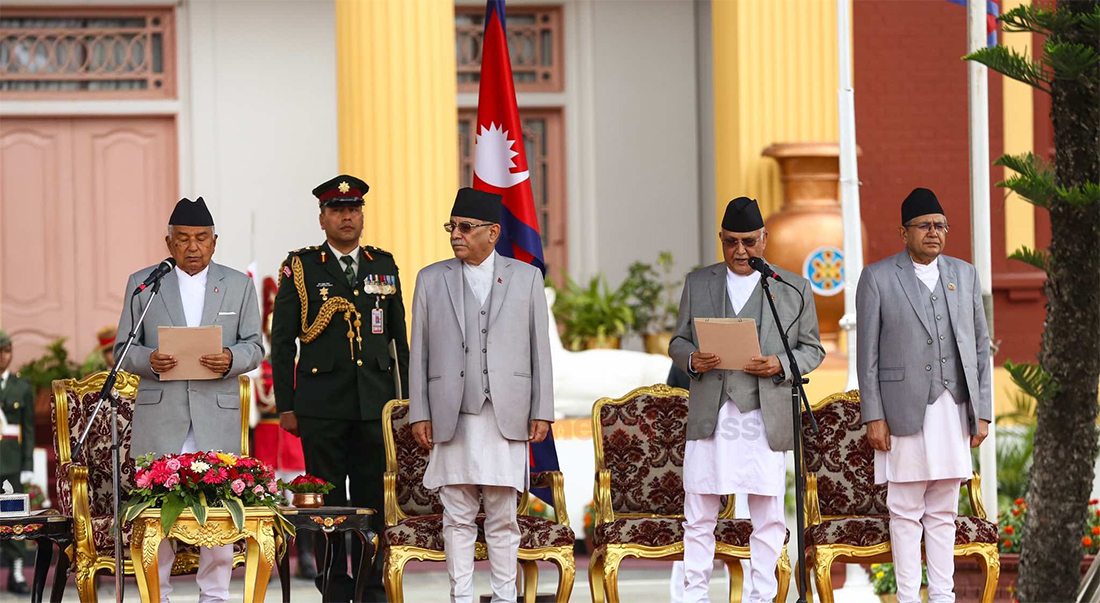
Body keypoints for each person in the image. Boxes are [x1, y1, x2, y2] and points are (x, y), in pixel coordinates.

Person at [669, 197, 825, 603]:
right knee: (699, 512)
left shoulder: (792, 287)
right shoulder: (698, 282)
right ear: (721, 239)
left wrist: (779, 363)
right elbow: (678, 340)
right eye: (731, 242)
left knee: (768, 516)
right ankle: (695, 596)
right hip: (711, 412)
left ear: (764, 239)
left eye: (749, 242)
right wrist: (692, 358)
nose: (740, 251)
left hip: (763, 413)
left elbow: (812, 349)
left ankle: (762, 596)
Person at [408, 187, 554, 603]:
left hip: (507, 411)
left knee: (504, 515)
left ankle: (506, 597)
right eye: (452, 226)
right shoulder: (431, 279)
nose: (456, 234)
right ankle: (462, 597)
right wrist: (420, 412)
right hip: (451, 412)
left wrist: (542, 409)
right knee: (457, 515)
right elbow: (419, 353)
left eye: (466, 227)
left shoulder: (526, 277)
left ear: (492, 232)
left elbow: (539, 350)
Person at [115, 197, 264, 603]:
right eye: (183, 239)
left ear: (215, 242)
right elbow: (123, 351)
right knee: (156, 513)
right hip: (162, 416)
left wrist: (231, 357)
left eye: (201, 238)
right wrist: (150, 360)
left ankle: (214, 595)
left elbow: (255, 346)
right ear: (169, 243)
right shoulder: (145, 284)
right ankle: (157, 595)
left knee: (219, 511)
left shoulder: (238, 285)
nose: (192, 247)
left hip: (215, 415)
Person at [270, 175, 409, 602]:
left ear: (362, 216)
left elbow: (399, 341)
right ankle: (333, 585)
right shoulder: (302, 267)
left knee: (373, 502)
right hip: (321, 407)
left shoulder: (382, 264)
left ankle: (371, 586)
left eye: (353, 210)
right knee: (326, 505)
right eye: (337, 210)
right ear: (322, 219)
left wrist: (407, 404)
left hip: (375, 406)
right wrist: (286, 406)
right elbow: (282, 342)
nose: (346, 217)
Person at [856, 188, 991, 603]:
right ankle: (908, 597)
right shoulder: (877, 277)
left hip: (953, 406)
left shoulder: (965, 275)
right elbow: (867, 356)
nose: (934, 232)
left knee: (944, 509)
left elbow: (981, 348)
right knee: (905, 508)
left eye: (940, 225)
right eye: (925, 226)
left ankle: (943, 597)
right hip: (902, 410)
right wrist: (874, 416)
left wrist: (982, 412)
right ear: (904, 232)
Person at [0, 330, 34, 595]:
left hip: (10, 464)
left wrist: (27, 465)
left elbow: (28, 428)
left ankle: (17, 572)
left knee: (13, 519)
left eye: (7, 350)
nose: (4, 356)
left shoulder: (21, 387)